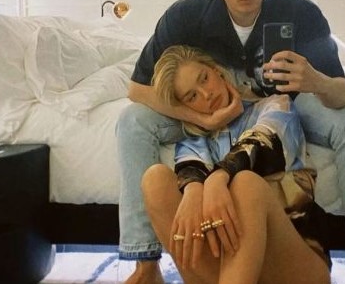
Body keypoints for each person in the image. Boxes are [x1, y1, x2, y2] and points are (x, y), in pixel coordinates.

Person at [117, 0, 345, 284]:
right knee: (132, 121)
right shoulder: (185, 16)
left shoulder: (300, 10)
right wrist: (198, 116)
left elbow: (341, 94)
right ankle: (145, 264)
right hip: (212, 111)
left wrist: (315, 80)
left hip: (286, 100)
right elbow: (136, 89)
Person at [141, 45, 331, 283]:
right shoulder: (196, 140)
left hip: (295, 263)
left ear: (217, 71)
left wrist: (218, 177)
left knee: (245, 184)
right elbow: (190, 167)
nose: (206, 94)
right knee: (155, 180)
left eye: (204, 79)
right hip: (230, 269)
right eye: (192, 96)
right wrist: (192, 189)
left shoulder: (275, 105)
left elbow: (262, 142)